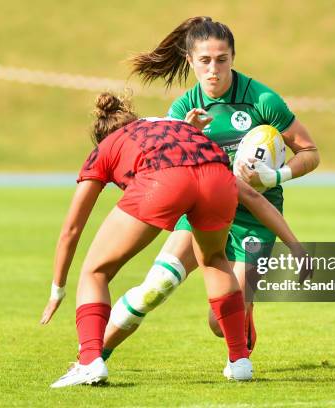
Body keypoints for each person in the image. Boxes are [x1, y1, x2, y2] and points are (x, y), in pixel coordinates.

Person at [41, 91, 301, 387]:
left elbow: (72, 229)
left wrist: (57, 288)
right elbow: (251, 194)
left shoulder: (108, 146)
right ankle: (239, 361)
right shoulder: (177, 128)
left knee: (95, 271)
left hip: (165, 183)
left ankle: (89, 361)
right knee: (214, 260)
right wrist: (296, 246)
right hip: (216, 176)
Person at [102, 16, 319, 361]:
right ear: (190, 61)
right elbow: (169, 173)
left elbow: (309, 152)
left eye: (222, 59)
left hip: (254, 218)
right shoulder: (184, 108)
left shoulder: (262, 100)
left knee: (221, 323)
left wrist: (273, 178)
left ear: (233, 57)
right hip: (204, 210)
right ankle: (92, 357)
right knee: (156, 286)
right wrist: (186, 136)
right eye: (204, 61)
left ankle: (242, 317)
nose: (213, 69)